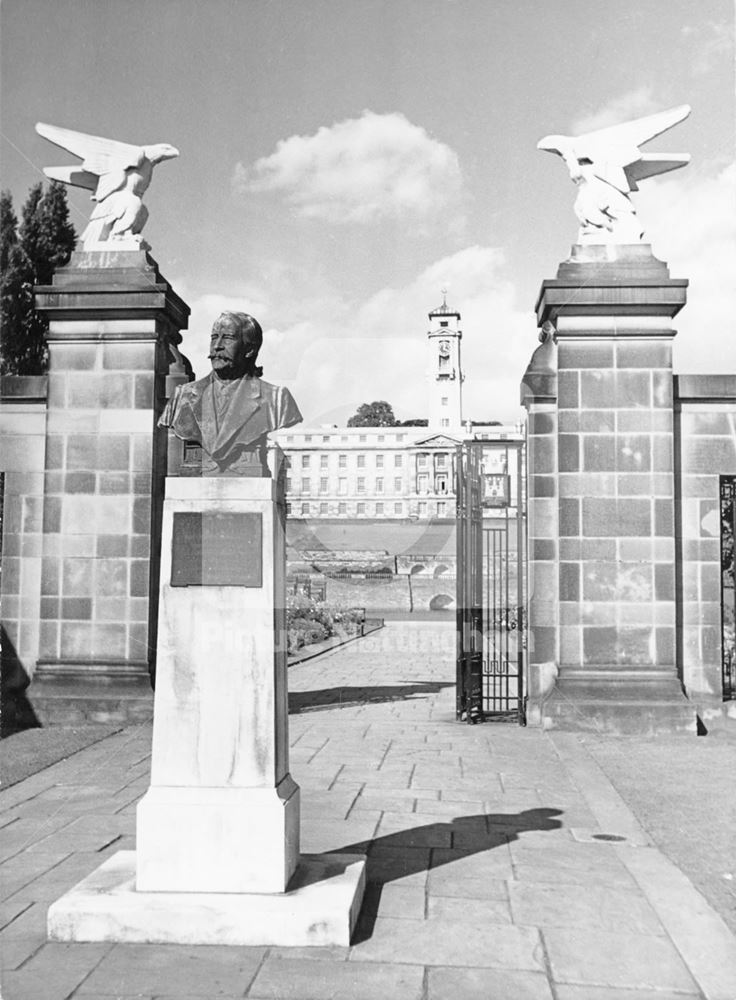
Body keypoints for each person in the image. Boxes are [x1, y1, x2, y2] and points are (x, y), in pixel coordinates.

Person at [159, 311, 302, 475]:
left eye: (228, 338)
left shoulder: (276, 399)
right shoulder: (182, 395)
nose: (217, 345)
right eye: (214, 337)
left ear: (249, 349)